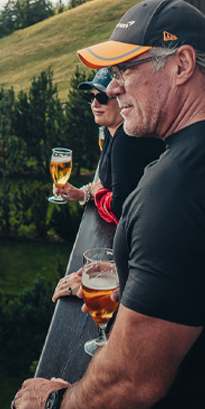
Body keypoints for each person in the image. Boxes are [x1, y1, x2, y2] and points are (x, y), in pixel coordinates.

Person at [10, 0, 205, 409]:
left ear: (182, 65)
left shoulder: (176, 191)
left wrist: (57, 406)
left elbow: (132, 383)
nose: (111, 89)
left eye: (124, 70)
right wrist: (133, 274)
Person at [50, 68, 164, 302]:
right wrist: (82, 193)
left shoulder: (127, 142)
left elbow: (121, 207)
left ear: (122, 99)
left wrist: (98, 192)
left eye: (102, 97)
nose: (94, 103)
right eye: (91, 97)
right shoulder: (115, 134)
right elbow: (108, 182)